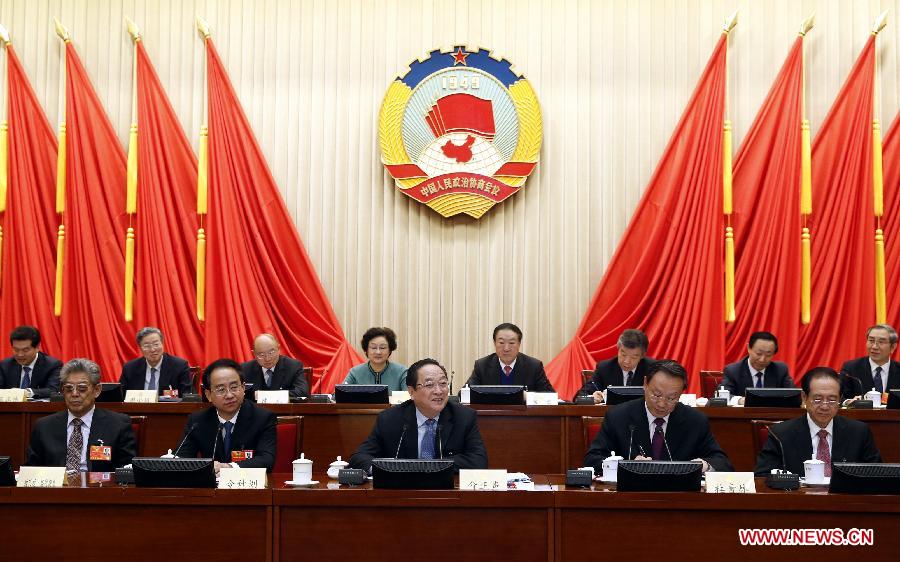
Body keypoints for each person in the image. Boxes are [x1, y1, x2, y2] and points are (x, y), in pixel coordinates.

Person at [584, 359, 732, 473]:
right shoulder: (618, 417)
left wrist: (703, 465)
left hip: (678, 501)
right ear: (645, 384)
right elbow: (592, 459)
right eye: (656, 395)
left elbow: (722, 463)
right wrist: (625, 465)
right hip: (631, 499)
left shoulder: (695, 421)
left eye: (671, 398)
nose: (662, 404)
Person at [349, 358, 488, 473]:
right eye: (429, 385)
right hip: (402, 494)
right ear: (411, 391)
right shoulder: (390, 419)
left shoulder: (463, 417)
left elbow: (479, 461)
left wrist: (430, 466)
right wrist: (387, 470)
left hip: (446, 492)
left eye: (443, 383)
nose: (438, 391)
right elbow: (359, 458)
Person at [754, 367, 881, 476]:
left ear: (840, 400)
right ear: (804, 398)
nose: (825, 406)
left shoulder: (859, 432)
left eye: (832, 399)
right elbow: (763, 477)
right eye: (817, 399)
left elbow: (876, 475)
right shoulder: (780, 434)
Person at [25, 358, 136, 471]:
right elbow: (31, 470)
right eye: (68, 388)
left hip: (98, 487)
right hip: (57, 487)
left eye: (82, 388)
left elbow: (127, 470)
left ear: (97, 390)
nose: (74, 394)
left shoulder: (118, 425)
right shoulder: (44, 426)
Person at [175, 358, 276, 473]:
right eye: (221, 389)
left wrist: (228, 467)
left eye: (234, 387)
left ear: (243, 388)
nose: (229, 395)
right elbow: (181, 458)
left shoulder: (263, 418)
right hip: (211, 488)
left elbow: (266, 460)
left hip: (247, 487)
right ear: (208, 395)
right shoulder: (198, 421)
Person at [465, 323, 554, 392]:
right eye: (501, 343)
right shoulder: (482, 365)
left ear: (519, 344)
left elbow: (549, 396)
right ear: (494, 343)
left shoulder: (533, 366)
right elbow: (464, 394)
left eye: (511, 343)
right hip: (492, 415)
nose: (506, 348)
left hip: (523, 415)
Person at [573, 329, 654, 403]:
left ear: (642, 356)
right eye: (623, 354)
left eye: (633, 357)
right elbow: (578, 398)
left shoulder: (652, 369)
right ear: (618, 349)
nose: (626, 361)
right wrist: (591, 398)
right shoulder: (605, 368)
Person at [119, 327, 192, 397]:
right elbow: (120, 396)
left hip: (169, 409)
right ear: (140, 348)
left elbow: (186, 397)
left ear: (162, 344)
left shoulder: (180, 366)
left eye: (156, 344)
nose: (152, 349)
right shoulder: (130, 368)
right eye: (147, 346)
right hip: (137, 409)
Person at [722, 331, 794, 400]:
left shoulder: (780, 370)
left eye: (768, 355)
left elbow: (793, 395)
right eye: (758, 354)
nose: (762, 359)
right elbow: (722, 396)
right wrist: (740, 400)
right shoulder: (733, 371)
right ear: (748, 348)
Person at [0, 325, 62, 399]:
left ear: (37, 347)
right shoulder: (5, 365)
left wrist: (26, 393)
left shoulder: (52, 365)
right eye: (16, 350)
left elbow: (53, 390)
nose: (20, 355)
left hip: (39, 410)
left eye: (25, 350)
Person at [241, 333, 309, 400]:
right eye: (261, 355)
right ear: (254, 354)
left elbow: (302, 392)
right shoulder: (245, 369)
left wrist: (264, 395)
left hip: (283, 410)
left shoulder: (293, 366)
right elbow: (239, 393)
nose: (267, 359)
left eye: (271, 353)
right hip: (255, 410)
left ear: (278, 349)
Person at [840, 324, 900, 397]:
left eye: (881, 342)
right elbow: (841, 398)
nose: (874, 347)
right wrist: (850, 402)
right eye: (871, 340)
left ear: (893, 347)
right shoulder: (851, 369)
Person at [343, 327, 408, 391]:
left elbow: (409, 398)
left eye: (382, 348)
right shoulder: (355, 373)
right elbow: (340, 396)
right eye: (373, 348)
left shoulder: (402, 372)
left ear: (390, 350)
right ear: (366, 350)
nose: (378, 352)